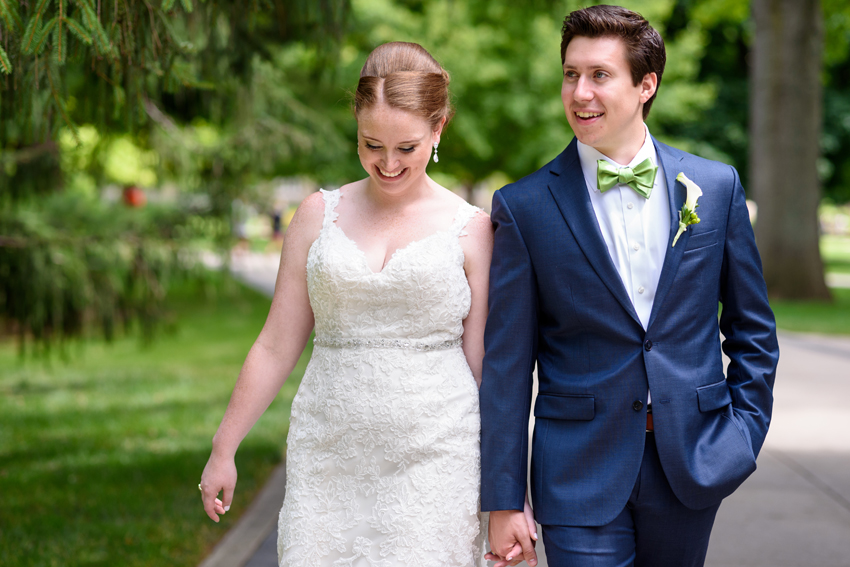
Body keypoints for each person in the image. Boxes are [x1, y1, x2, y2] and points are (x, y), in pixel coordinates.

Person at [199, 41, 527, 566]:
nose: (388, 164)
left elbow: (485, 367)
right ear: (355, 124)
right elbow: (276, 343)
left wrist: (506, 500)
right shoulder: (315, 215)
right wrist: (224, 446)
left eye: (407, 148)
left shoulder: (472, 229)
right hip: (327, 454)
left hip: (437, 458)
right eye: (372, 145)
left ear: (439, 128)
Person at [480, 6, 780, 567]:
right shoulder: (522, 208)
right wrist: (502, 497)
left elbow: (753, 331)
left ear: (646, 85)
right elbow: (508, 363)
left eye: (599, 75)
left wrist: (740, 437)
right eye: (571, 74)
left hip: (691, 461)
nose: (580, 92)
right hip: (576, 471)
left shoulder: (713, 187)